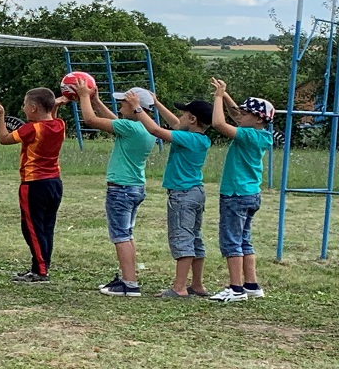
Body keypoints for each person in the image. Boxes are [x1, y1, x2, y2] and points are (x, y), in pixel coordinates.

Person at [75, 83, 157, 296]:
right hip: (135, 187)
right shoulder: (145, 128)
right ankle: (127, 278)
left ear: (135, 106)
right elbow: (115, 121)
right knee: (127, 235)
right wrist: (95, 101)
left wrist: (84, 96)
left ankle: (129, 284)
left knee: (120, 236)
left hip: (121, 189)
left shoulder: (130, 128)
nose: (120, 105)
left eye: (123, 102)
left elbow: (90, 120)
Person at [131, 95, 213, 298]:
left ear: (192, 119)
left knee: (182, 238)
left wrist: (138, 109)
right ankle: (197, 284)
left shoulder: (188, 138)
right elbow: (176, 125)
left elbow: (156, 131)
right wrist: (157, 104)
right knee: (195, 239)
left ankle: (179, 288)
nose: (179, 117)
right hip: (196, 193)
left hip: (182, 195)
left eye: (184, 114)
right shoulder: (200, 138)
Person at [208, 78, 275, 303]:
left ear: (257, 119)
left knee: (231, 241)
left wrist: (217, 98)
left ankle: (235, 288)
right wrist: (225, 94)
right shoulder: (260, 134)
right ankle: (251, 285)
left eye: (246, 113)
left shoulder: (247, 135)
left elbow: (219, 124)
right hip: (250, 193)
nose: (239, 115)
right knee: (245, 240)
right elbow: (236, 115)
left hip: (235, 194)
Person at [0, 88, 66, 284]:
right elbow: (51, 118)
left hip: (34, 184)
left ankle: (40, 271)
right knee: (46, 227)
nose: (23, 108)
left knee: (32, 228)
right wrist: (55, 105)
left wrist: (0, 116)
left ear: (33, 108)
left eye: (25, 105)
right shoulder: (60, 124)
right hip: (54, 182)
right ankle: (41, 266)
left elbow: (3, 139)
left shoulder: (31, 129)